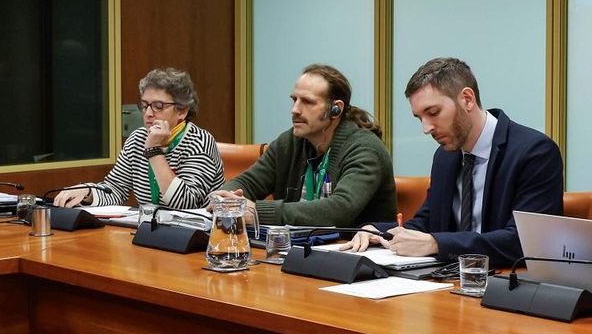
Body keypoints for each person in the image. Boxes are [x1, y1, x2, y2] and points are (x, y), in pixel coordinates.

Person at [344, 57, 562, 265]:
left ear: (467, 99)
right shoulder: (445, 156)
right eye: (420, 118)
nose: (426, 128)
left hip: (504, 284)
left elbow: (524, 242)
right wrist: (377, 231)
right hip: (447, 280)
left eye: (433, 112)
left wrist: (436, 243)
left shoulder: (534, 152)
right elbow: (426, 223)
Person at [212, 64, 396, 228]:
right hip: (300, 249)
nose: (295, 110)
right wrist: (226, 198)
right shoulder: (290, 142)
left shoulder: (365, 148)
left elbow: (339, 210)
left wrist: (257, 212)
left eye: (307, 102)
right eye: (294, 100)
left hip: (354, 254)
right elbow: (248, 182)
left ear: (336, 109)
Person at [54, 68, 223, 209]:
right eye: (144, 106)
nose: (148, 114)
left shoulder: (200, 141)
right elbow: (116, 189)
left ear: (182, 111)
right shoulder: (138, 138)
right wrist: (88, 192)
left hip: (196, 238)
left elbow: (185, 203)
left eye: (158, 106)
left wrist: (153, 151)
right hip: (152, 232)